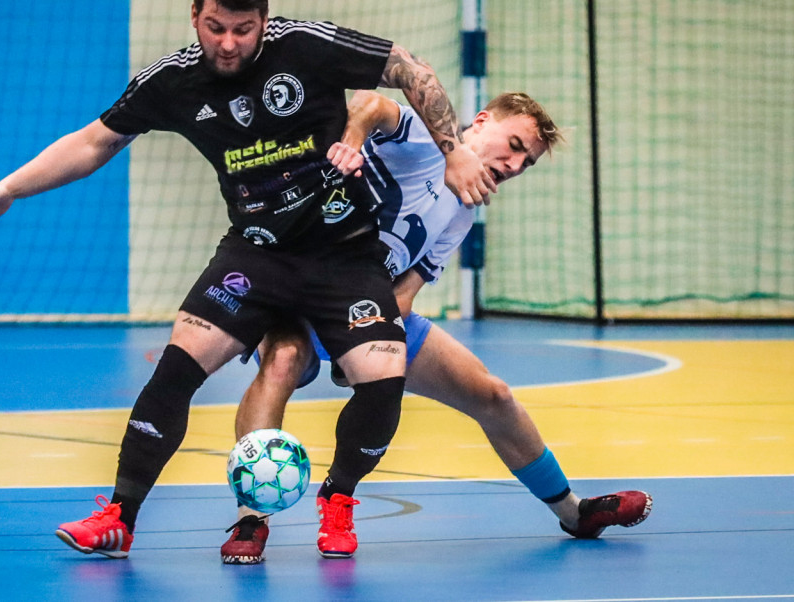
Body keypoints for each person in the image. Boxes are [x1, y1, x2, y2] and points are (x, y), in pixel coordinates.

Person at [0, 0, 497, 559]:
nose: (228, 42)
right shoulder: (172, 81)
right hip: (256, 254)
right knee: (176, 369)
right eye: (215, 26)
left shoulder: (306, 45)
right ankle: (118, 515)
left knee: (383, 378)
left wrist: (453, 151)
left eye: (243, 29)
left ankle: (339, 501)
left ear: (264, 23)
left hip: (344, 256)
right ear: (195, 15)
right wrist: (7, 188)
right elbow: (95, 141)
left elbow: (409, 69)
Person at [219, 90, 653, 564]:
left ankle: (574, 513)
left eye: (525, 164)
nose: (512, 166)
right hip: (297, 286)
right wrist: (350, 143)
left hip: (369, 308)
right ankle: (251, 520)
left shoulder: (463, 211)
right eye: (513, 145)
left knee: (494, 395)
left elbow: (403, 296)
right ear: (481, 122)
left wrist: (365, 339)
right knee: (282, 362)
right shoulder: (424, 137)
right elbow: (369, 104)